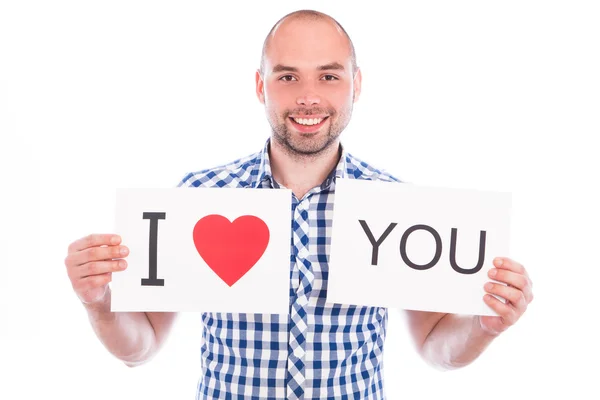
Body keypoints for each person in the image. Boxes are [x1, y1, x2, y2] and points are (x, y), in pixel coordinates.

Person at [63, 9, 534, 400]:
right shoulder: (200, 197)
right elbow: (140, 346)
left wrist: (484, 326)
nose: (308, 97)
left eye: (328, 76)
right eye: (287, 76)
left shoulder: (395, 206)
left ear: (356, 84)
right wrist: (101, 304)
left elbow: (435, 347)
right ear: (260, 85)